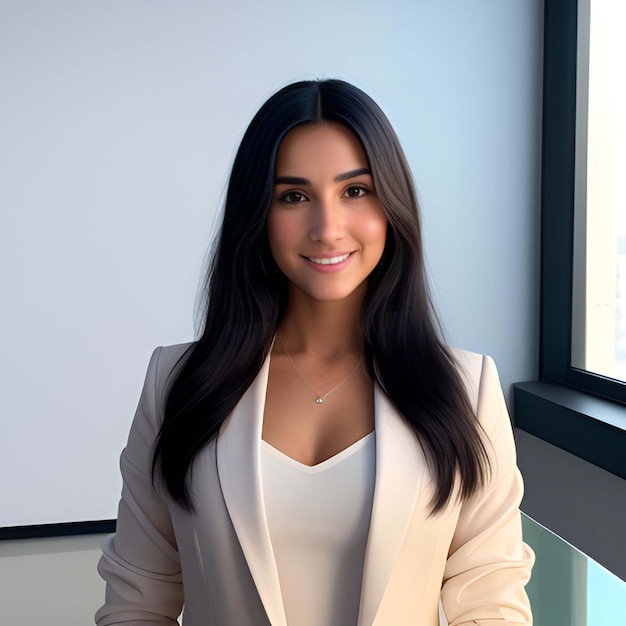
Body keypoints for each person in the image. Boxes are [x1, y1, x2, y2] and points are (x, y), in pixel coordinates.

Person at [95, 79, 534, 626]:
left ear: (391, 204)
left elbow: (491, 605)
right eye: (294, 196)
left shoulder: (467, 389)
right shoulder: (176, 381)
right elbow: (138, 600)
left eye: (355, 191)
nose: (327, 228)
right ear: (258, 213)